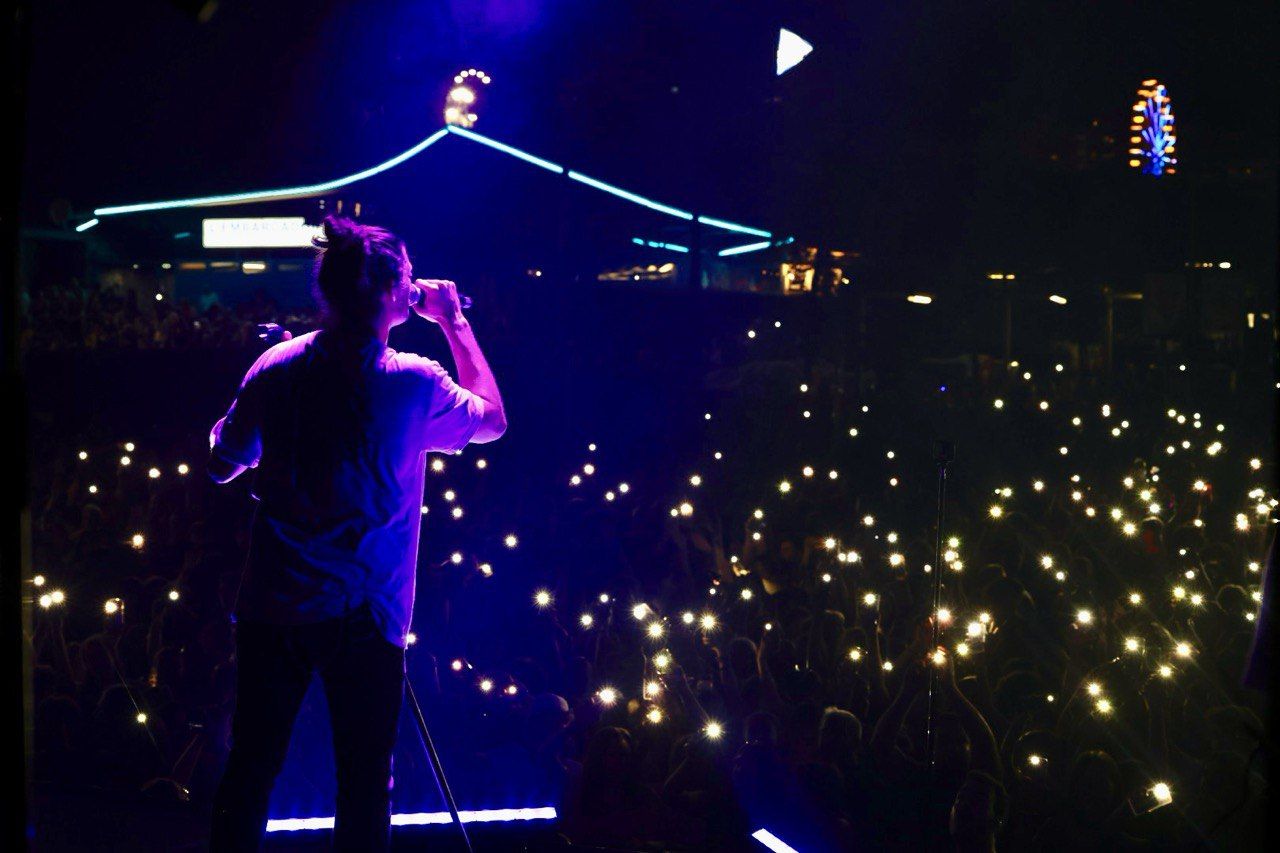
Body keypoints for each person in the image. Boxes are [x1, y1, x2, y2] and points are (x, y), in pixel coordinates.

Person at [205, 215, 507, 851]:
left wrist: (269, 417)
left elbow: (221, 464)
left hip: (274, 606)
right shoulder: (416, 381)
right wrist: (453, 319)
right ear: (395, 287)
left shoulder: (277, 366)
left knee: (251, 768)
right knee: (365, 785)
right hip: (366, 617)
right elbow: (494, 421)